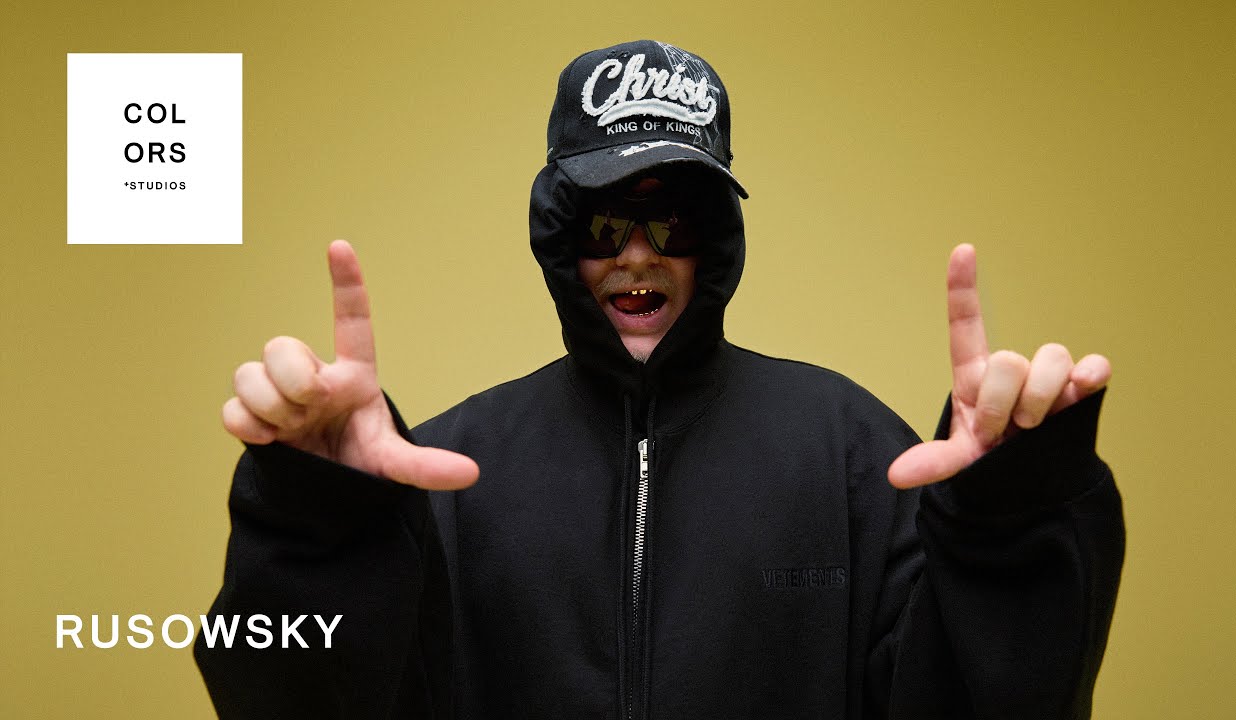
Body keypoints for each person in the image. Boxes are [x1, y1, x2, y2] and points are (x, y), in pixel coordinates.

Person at [196, 40, 1124, 719]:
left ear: (712, 243)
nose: (637, 257)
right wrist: (319, 518)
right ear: (560, 241)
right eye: (605, 227)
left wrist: (1011, 511)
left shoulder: (852, 449)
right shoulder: (439, 469)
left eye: (672, 225)